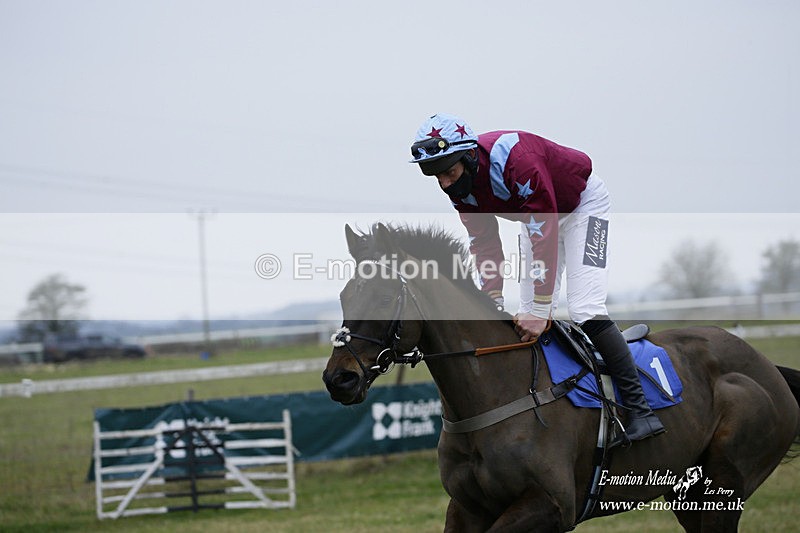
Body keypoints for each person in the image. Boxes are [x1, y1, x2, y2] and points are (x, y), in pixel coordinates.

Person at [409, 112, 664, 447]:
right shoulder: (458, 186)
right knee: (526, 316)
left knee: (584, 307)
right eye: (436, 176)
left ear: (469, 157)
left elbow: (544, 232)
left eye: (449, 172)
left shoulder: (518, 162)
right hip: (537, 220)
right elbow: (485, 244)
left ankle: (640, 410)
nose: (445, 183)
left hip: (583, 207)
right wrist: (491, 302)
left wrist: (542, 308)